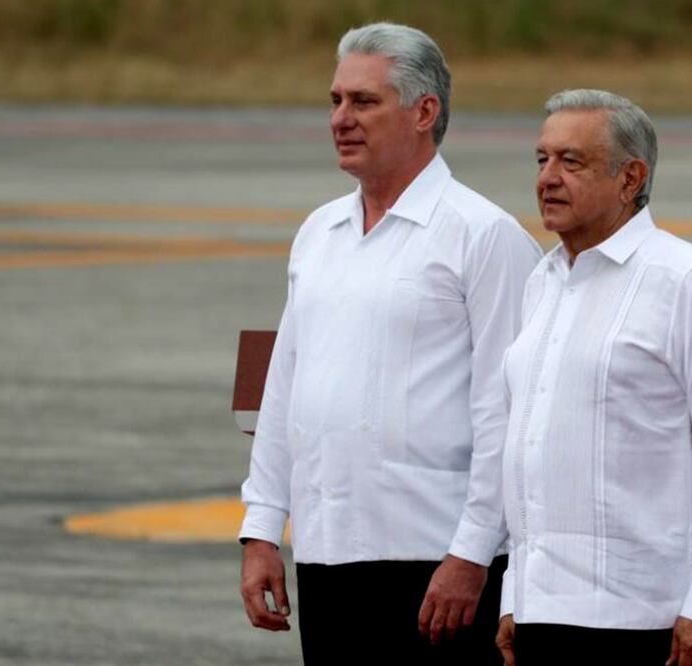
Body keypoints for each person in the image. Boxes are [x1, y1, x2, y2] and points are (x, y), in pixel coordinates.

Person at [236, 22, 541, 664]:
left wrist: (472, 553)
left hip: (437, 566)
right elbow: (281, 389)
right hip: (325, 556)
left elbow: (509, 415)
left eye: (363, 102)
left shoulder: (484, 236)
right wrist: (261, 530)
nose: (340, 119)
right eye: (335, 100)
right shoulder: (318, 233)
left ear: (423, 111)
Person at [492, 90, 692, 666]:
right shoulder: (542, 282)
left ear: (630, 178)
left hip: (642, 620)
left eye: (572, 161)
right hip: (542, 613)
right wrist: (515, 595)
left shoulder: (687, 281)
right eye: (541, 160)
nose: (547, 179)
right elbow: (529, 452)